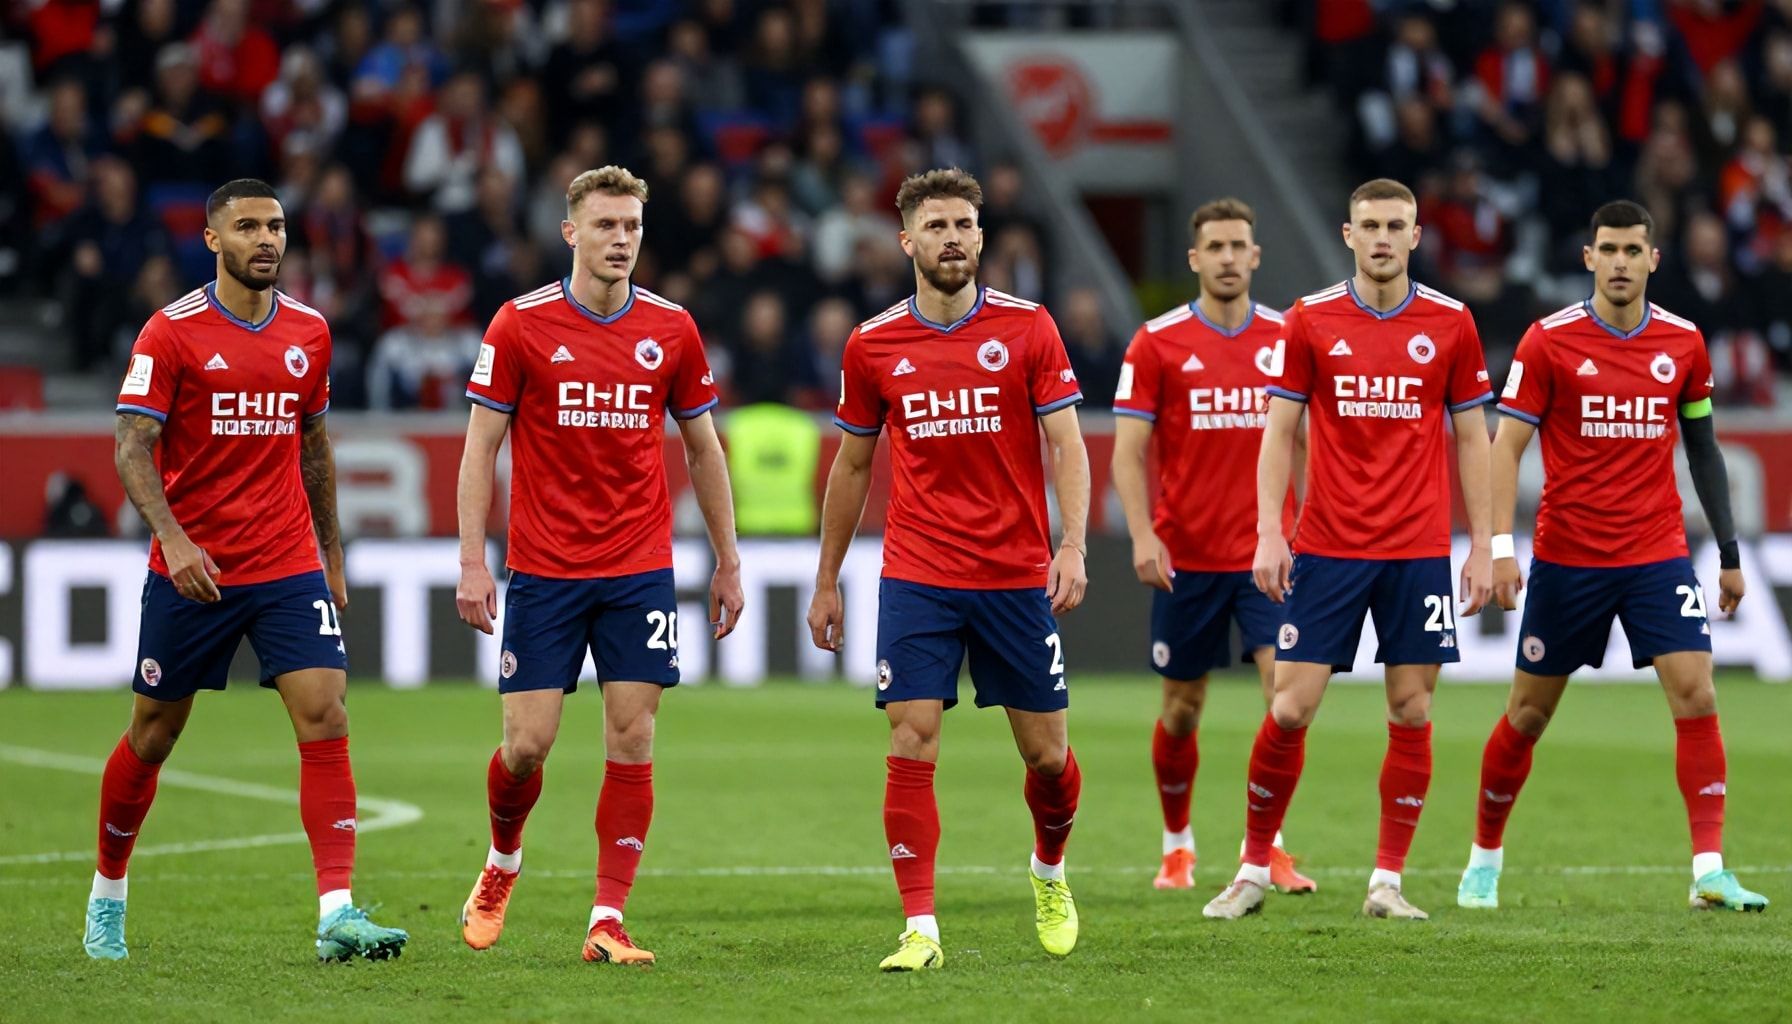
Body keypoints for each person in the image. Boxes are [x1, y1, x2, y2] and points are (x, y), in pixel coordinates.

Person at [89, 178, 407, 962]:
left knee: (326, 714)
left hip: (286, 561)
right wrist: (175, 537)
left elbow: (314, 446)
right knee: (154, 735)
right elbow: (132, 447)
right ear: (212, 241)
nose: (266, 239)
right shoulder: (171, 333)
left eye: (276, 226)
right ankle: (107, 893)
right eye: (248, 227)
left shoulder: (310, 332)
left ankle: (336, 912)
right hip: (192, 567)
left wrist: (331, 553)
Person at [455, 165, 745, 965]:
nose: (622, 241)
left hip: (638, 566)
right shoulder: (518, 325)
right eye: (607, 226)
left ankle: (607, 918)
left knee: (633, 735)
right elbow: (481, 448)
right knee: (527, 745)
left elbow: (703, 447)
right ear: (571, 232)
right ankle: (502, 863)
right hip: (545, 571)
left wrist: (727, 559)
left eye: (633, 228)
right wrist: (473, 560)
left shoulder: (673, 330)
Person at [806, 168, 1091, 971]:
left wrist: (1069, 546)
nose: (954, 239)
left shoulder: (1031, 330)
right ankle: (921, 929)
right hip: (919, 574)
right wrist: (828, 579)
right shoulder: (873, 343)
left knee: (1047, 759)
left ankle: (1049, 870)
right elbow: (852, 469)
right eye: (936, 227)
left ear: (981, 235)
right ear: (907, 242)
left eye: (965, 224)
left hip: (1013, 577)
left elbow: (1067, 443)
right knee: (912, 734)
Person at [1460, 200, 1768, 914]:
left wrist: (1726, 552)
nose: (1622, 262)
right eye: (1610, 249)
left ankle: (1709, 869)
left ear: (1653, 259)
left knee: (1697, 695)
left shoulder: (1684, 343)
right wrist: (1503, 547)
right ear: (1588, 258)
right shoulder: (1549, 341)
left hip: (1657, 554)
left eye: (1634, 250)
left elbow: (1703, 450)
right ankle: (1484, 858)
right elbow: (1505, 447)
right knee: (1528, 715)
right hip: (1569, 560)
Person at [1204, 178, 1495, 923]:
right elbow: (1278, 431)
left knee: (1412, 706)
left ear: (1416, 235)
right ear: (1349, 234)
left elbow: (1472, 438)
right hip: (1329, 547)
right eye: (1370, 226)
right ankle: (1252, 868)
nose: (1383, 238)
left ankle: (1387, 881)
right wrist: (1271, 529)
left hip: (1417, 550)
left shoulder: (1452, 324)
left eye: (1396, 226)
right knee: (1292, 708)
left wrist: (1486, 543)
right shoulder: (1308, 320)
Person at [1111, 197, 1315, 895]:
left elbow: (1312, 446)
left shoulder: (1291, 336)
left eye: (1239, 246)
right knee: (1181, 708)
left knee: (1283, 700)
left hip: (1268, 559)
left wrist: (1308, 530)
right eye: (1216, 247)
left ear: (1256, 256)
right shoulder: (1156, 342)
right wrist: (1142, 534)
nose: (1228, 258)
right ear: (1195, 258)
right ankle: (1177, 846)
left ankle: (1270, 849)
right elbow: (1127, 451)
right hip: (1187, 559)